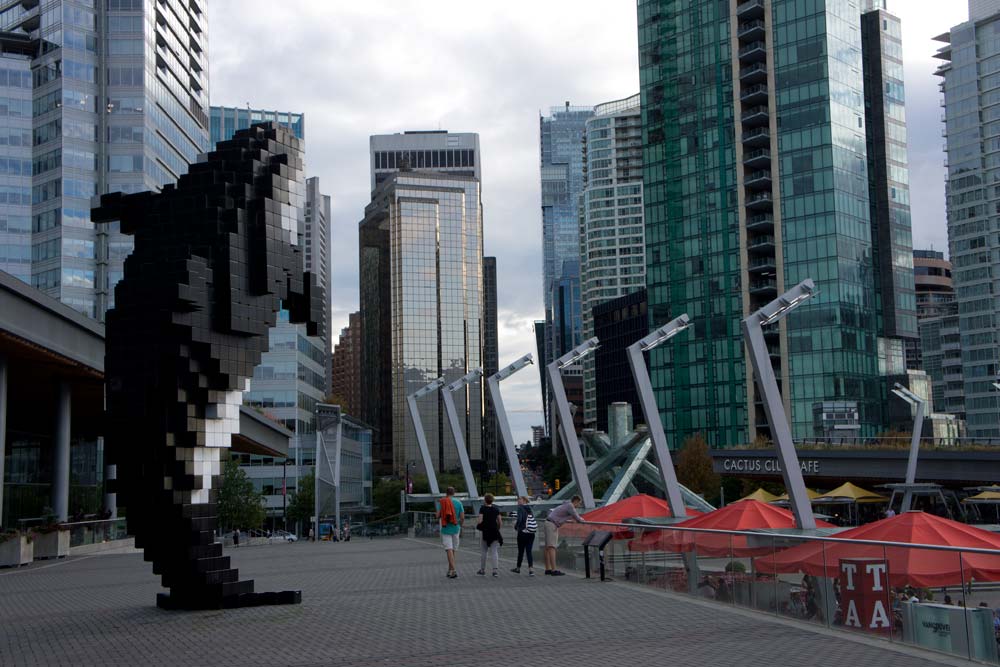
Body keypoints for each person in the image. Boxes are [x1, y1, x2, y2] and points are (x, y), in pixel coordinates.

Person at [543, 495, 585, 576]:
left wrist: (570, 519)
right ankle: (554, 570)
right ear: (575, 501)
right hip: (552, 524)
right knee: (552, 547)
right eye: (579, 504)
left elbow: (564, 516)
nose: (579, 506)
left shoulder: (565, 504)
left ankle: (548, 569)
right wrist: (582, 520)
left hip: (549, 523)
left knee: (548, 547)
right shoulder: (570, 506)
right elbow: (578, 518)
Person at [436, 486, 465, 579]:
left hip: (445, 528)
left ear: (446, 493)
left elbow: (438, 515)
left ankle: (453, 570)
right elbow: (462, 517)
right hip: (456, 528)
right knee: (452, 550)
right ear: (454, 493)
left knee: (449, 549)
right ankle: (450, 570)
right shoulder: (458, 502)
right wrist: (460, 525)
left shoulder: (443, 502)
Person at [477, 493, 503, 577]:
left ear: (485, 500)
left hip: (485, 532)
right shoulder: (496, 509)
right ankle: (495, 570)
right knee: (494, 551)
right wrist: (497, 528)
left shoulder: (482, 509)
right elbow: (500, 522)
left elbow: (480, 521)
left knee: (484, 551)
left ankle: (482, 569)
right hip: (494, 531)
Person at [511, 496, 537, 576]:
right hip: (531, 532)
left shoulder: (520, 508)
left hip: (522, 532)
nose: (518, 501)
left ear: (524, 500)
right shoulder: (529, 508)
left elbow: (520, 519)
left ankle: (518, 568)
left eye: (519, 499)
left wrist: (516, 527)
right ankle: (531, 570)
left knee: (521, 551)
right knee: (529, 551)